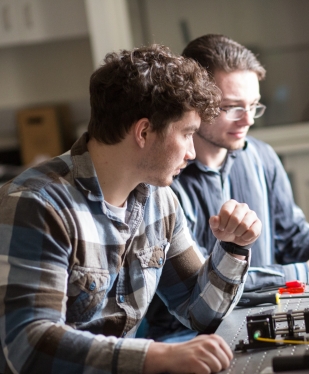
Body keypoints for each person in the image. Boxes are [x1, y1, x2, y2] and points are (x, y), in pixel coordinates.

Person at [0, 44, 263, 374]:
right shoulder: (35, 204)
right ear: (144, 131)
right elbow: (29, 345)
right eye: (187, 134)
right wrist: (155, 357)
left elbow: (200, 311)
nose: (192, 153)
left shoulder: (160, 201)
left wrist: (234, 247)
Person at [144, 34, 309, 341]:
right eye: (232, 108)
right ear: (196, 103)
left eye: (253, 106)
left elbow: (294, 239)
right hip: (187, 336)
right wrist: (304, 274)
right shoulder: (165, 180)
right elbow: (204, 290)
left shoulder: (261, 157)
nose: (248, 120)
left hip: (264, 313)